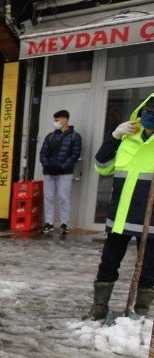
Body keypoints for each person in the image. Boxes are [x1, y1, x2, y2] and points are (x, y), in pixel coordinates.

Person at [88, 94, 154, 320]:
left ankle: (141, 311)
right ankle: (99, 307)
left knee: (149, 268)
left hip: (151, 221)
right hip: (120, 217)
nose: (149, 118)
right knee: (108, 263)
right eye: (147, 113)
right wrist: (114, 137)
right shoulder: (128, 139)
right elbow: (102, 165)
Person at [39, 110, 82, 237]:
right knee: (48, 197)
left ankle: (64, 223)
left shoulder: (75, 137)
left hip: (65, 173)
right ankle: (49, 222)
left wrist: (62, 167)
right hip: (49, 172)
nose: (55, 122)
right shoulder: (50, 136)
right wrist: (48, 165)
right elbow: (43, 153)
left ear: (65, 120)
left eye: (57, 120)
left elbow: (75, 154)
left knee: (64, 198)